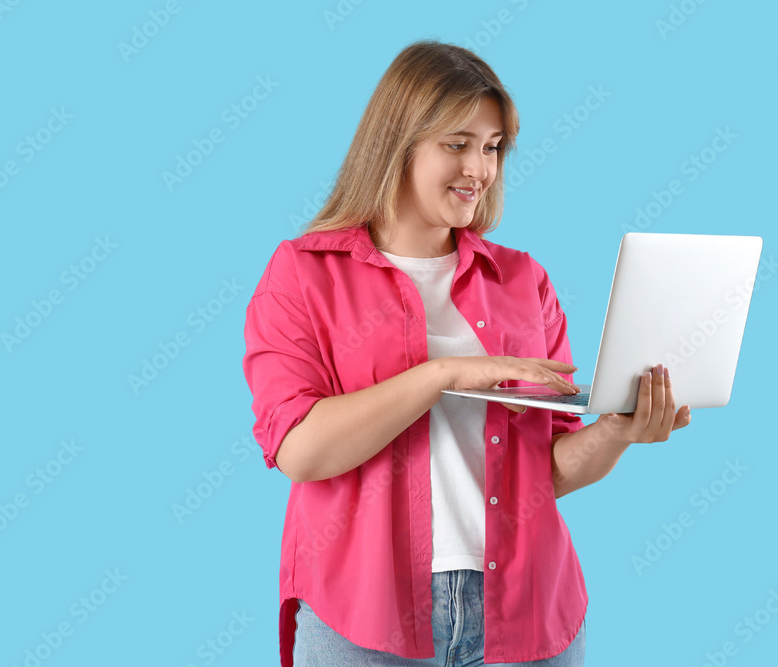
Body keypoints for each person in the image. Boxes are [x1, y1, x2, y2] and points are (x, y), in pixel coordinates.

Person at [242, 40, 691, 667]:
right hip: (366, 616)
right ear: (397, 143)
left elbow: (548, 470)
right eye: (457, 144)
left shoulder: (521, 281)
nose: (479, 169)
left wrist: (615, 433)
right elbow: (302, 451)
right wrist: (447, 374)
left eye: (492, 147)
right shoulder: (304, 274)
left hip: (527, 611)